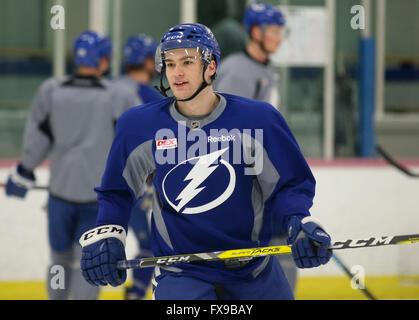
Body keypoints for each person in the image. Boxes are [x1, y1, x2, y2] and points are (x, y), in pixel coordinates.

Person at [79, 23, 333, 300]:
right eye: (170, 63)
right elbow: (117, 190)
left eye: (187, 62)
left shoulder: (259, 120)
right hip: (181, 273)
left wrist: (299, 221)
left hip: (254, 271)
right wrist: (109, 231)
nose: (177, 72)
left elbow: (289, 185)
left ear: (211, 66)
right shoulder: (139, 125)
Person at [5, 30, 139, 300]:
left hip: (60, 197)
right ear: (103, 60)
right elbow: (136, 145)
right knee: (90, 264)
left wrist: (24, 172)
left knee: (59, 259)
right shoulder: (119, 96)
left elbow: (36, 140)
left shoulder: (51, 90)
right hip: (97, 200)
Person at [213, 3, 298, 293]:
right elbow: (226, 134)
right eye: (273, 31)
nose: (278, 37)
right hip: (245, 185)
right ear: (255, 32)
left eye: (279, 31)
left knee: (282, 244)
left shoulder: (266, 68)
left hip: (267, 180)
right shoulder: (237, 71)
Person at [115, 34, 164, 300]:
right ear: (147, 61)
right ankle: (135, 294)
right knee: (148, 246)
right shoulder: (148, 97)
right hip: (133, 184)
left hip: (97, 182)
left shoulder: (108, 87)